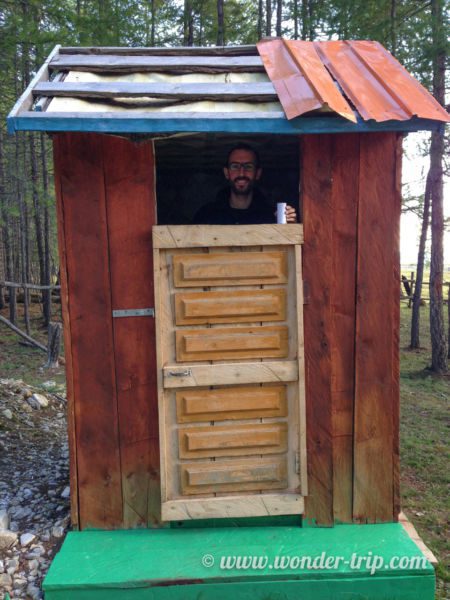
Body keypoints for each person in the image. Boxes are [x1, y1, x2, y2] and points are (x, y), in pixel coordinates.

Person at [193, 143, 297, 225]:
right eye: (235, 166)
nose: (241, 173)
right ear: (226, 173)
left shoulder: (272, 215)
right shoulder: (207, 215)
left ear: (258, 173)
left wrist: (292, 227)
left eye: (248, 167)